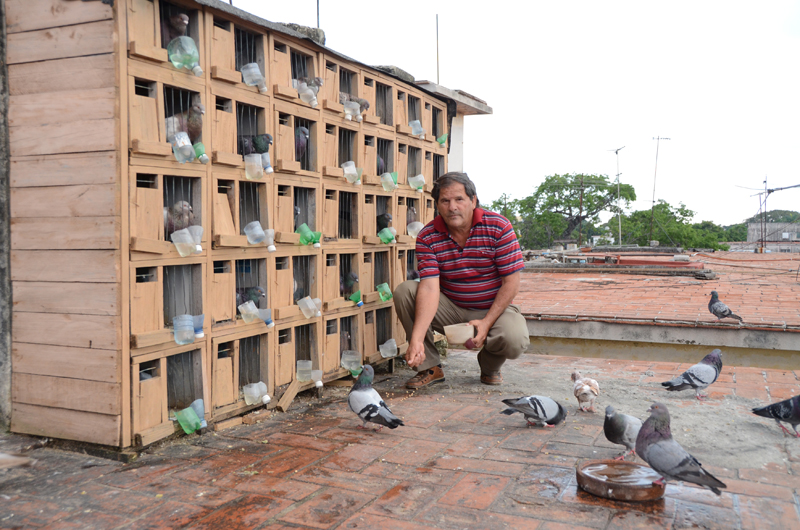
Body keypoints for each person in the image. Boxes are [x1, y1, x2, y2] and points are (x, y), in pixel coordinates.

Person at [394, 172, 529, 389]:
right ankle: (429, 366)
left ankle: (489, 366)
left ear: (473, 201)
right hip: (450, 307)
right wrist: (416, 339)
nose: (452, 207)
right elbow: (429, 288)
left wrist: (486, 323)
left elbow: (511, 283)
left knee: (514, 339)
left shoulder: (498, 226)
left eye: (459, 199)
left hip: (492, 309)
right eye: (445, 201)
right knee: (406, 291)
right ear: (437, 205)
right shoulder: (427, 236)